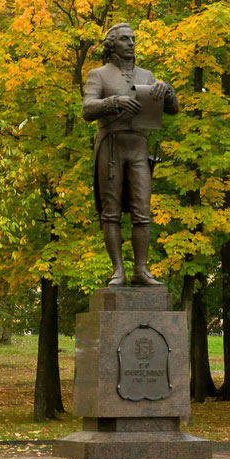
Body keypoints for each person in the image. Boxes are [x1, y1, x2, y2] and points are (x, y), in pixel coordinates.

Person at [82, 23, 180, 287]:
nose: (132, 43)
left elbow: (173, 110)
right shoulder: (99, 75)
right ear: (112, 45)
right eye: (125, 39)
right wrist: (113, 102)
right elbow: (87, 109)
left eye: (133, 39)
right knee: (111, 212)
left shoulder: (147, 76)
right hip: (111, 146)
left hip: (138, 146)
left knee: (142, 211)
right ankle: (118, 271)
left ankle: (141, 270)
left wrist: (168, 91)